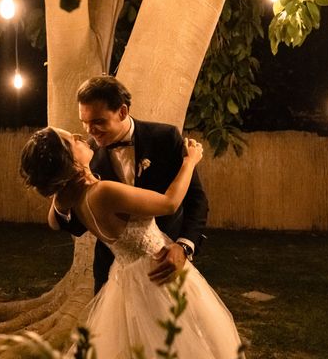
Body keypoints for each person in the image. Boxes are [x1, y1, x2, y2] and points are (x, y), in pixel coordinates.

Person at [20, 127, 244, 358]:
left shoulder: (71, 198)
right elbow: (169, 203)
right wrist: (190, 161)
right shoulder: (102, 192)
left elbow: (54, 222)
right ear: (67, 161)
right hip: (156, 272)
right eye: (71, 141)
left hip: (127, 276)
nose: (80, 136)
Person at [51, 76, 209, 293]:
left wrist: (184, 246)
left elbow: (196, 200)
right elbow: (77, 226)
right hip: (112, 277)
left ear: (122, 112)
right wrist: (60, 205)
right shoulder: (86, 156)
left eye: (98, 121)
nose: (89, 131)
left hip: (166, 267)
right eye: (84, 122)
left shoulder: (165, 138)